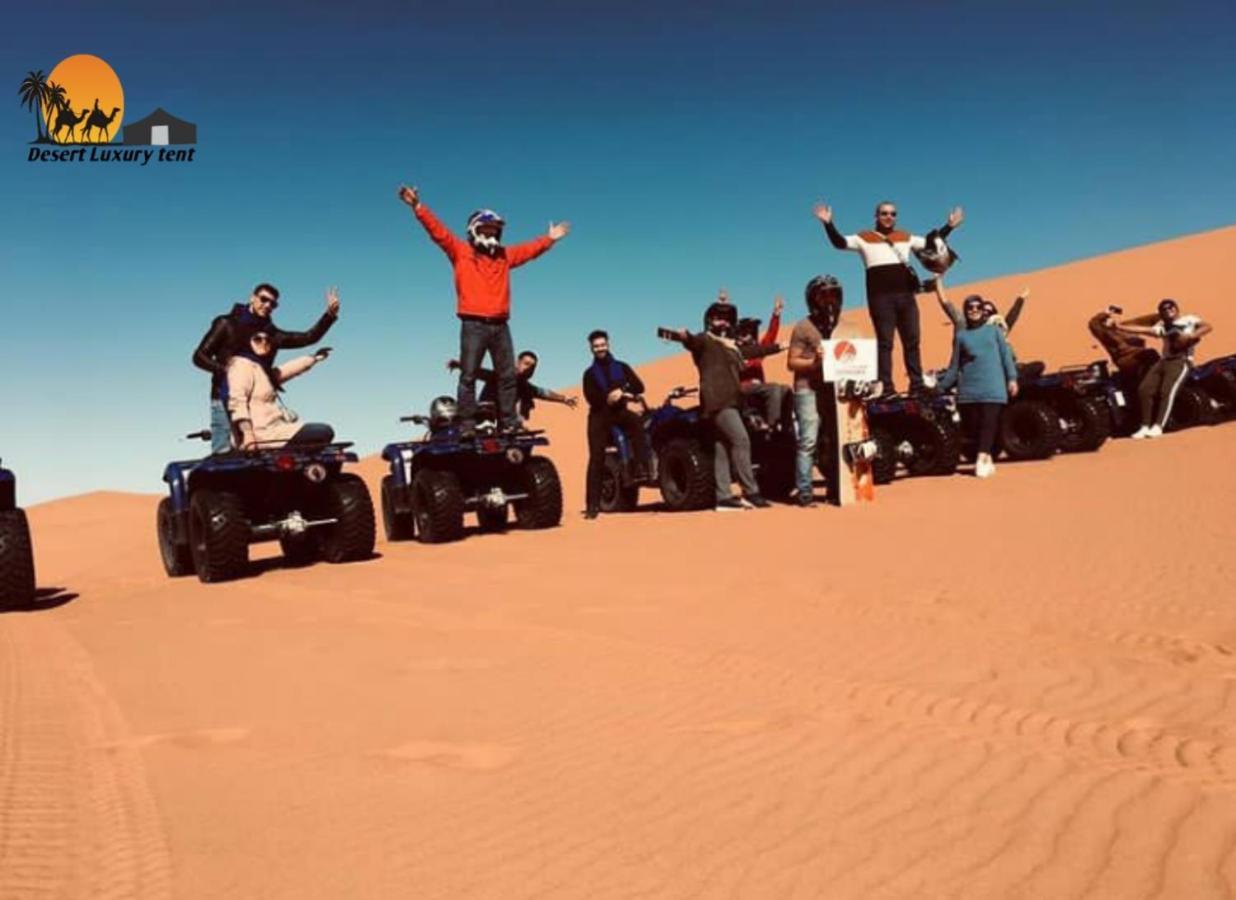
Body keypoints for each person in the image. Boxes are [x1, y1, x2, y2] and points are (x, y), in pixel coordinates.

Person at [397, 184, 570, 438]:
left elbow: (528, 251)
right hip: (473, 325)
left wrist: (550, 239)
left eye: (494, 230)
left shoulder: (504, 256)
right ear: (474, 230)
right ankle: (467, 426)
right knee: (468, 377)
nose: (491, 235)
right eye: (486, 229)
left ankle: (509, 423)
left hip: (500, 325)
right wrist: (417, 207)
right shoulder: (461, 252)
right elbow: (439, 233)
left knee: (508, 378)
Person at [814, 199, 964, 395]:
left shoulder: (905, 236)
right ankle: (886, 386)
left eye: (893, 214)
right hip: (880, 299)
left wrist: (949, 226)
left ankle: (916, 383)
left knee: (912, 341)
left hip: (906, 297)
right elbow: (840, 242)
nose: (888, 217)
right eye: (884, 213)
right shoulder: (864, 237)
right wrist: (828, 223)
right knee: (885, 343)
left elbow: (929, 243)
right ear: (876, 216)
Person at [193, 284, 340, 454]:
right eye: (264, 299)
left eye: (273, 304)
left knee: (262, 454)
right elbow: (199, 357)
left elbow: (307, 338)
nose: (268, 305)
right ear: (252, 298)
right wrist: (228, 372)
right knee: (224, 453)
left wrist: (329, 316)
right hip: (224, 397)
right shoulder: (226, 324)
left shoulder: (270, 334)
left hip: (258, 399)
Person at [665, 303, 783, 511]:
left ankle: (723, 497)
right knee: (741, 440)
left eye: (727, 318)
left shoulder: (731, 346)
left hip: (732, 402)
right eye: (718, 317)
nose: (723, 321)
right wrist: (684, 337)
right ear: (709, 320)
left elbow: (753, 350)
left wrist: (778, 346)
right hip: (718, 402)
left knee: (723, 448)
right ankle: (751, 492)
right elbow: (692, 341)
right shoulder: (705, 341)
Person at [935, 288, 1019, 479]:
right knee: (974, 427)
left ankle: (981, 460)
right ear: (966, 311)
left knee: (989, 423)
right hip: (969, 391)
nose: (974, 310)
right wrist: (940, 387)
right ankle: (987, 456)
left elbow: (1006, 357)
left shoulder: (994, 331)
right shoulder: (961, 336)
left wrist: (1012, 378)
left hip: (993, 387)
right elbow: (954, 365)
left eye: (977, 307)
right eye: (970, 308)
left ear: (983, 310)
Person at [582, 331, 654, 520]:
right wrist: (609, 397)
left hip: (620, 413)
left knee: (638, 424)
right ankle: (592, 506)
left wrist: (621, 391)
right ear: (591, 348)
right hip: (599, 416)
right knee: (596, 458)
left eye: (602, 345)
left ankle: (640, 468)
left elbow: (639, 386)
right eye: (596, 346)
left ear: (608, 345)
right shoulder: (589, 374)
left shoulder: (622, 367)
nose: (600, 349)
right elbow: (592, 398)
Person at [785, 275, 844, 507]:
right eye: (823, 295)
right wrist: (814, 362)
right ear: (813, 299)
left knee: (835, 439)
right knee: (809, 440)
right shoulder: (803, 327)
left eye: (833, 294)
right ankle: (805, 492)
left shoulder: (841, 326)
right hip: (808, 389)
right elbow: (792, 362)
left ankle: (836, 489)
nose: (829, 300)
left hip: (834, 392)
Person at [1116, 299, 1213, 439]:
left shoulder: (1189, 320)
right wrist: (1120, 327)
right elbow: (1146, 330)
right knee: (1144, 389)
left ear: (1176, 309)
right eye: (1164, 310)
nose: (1168, 311)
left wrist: (1191, 335)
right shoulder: (1164, 326)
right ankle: (1144, 426)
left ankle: (1158, 426)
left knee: (1166, 392)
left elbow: (1207, 327)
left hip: (1181, 361)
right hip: (1164, 361)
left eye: (1170, 308)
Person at [226, 332, 335, 450]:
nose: (263, 343)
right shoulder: (241, 365)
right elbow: (237, 401)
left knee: (323, 440)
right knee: (323, 431)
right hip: (260, 434)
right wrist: (248, 435)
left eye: (267, 340)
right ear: (247, 342)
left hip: (274, 428)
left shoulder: (260, 368)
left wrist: (314, 358)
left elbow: (286, 370)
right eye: (257, 339)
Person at [447, 350, 578, 423]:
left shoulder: (524, 386)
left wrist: (564, 399)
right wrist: (460, 365)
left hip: (503, 423)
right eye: (526, 364)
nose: (528, 369)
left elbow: (544, 393)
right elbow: (481, 372)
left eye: (532, 367)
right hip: (483, 419)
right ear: (517, 363)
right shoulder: (500, 375)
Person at [735, 294, 789, 432]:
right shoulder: (735, 351)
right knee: (773, 387)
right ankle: (773, 426)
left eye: (751, 332)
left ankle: (788, 425)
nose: (749, 335)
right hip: (742, 389)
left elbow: (770, 338)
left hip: (759, 389)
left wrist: (776, 315)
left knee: (786, 390)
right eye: (745, 332)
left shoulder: (757, 351)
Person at [1088, 305, 1161, 393]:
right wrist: (1106, 313)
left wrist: (1160, 316)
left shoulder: (1124, 326)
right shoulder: (1105, 334)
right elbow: (1093, 324)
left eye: (1110, 319)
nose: (1109, 321)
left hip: (1140, 358)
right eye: (1105, 321)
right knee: (1151, 354)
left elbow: (1145, 320)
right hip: (1125, 359)